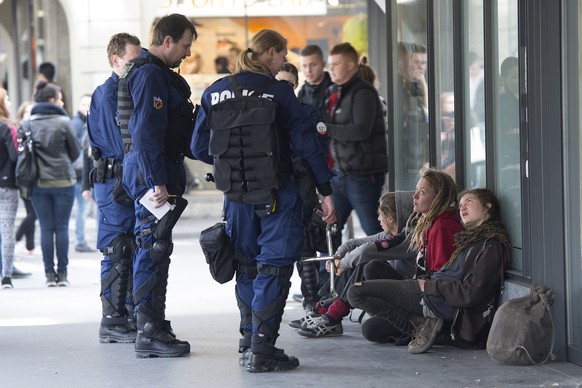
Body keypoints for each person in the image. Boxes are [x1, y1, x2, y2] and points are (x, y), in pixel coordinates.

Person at [192, 29, 336, 373]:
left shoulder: (215, 91)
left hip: (237, 195)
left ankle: (246, 341)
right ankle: (262, 347)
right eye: (282, 55)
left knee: (245, 263)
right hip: (279, 191)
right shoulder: (279, 92)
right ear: (270, 53)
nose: (283, 61)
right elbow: (306, 143)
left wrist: (232, 163)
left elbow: (198, 147)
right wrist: (325, 191)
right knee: (274, 267)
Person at [348, 188, 511, 353]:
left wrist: (427, 286)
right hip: (430, 292)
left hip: (435, 300)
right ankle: (420, 323)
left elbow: (469, 293)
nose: (462, 208)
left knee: (356, 293)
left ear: (487, 207)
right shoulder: (471, 240)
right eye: (460, 204)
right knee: (372, 270)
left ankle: (419, 324)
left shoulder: (491, 245)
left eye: (469, 201)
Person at [120, 14, 197, 358]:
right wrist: (157, 182)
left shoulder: (155, 72)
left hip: (157, 170)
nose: (186, 53)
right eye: (184, 45)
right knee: (152, 248)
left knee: (158, 249)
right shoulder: (150, 73)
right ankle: (148, 332)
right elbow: (145, 131)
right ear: (167, 41)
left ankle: (155, 324)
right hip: (153, 175)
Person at [87, 32, 141, 344]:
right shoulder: (107, 95)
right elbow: (118, 146)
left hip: (126, 182)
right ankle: (112, 319)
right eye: (132, 61)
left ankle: (131, 313)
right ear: (115, 60)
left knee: (132, 248)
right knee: (117, 248)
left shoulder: (127, 90)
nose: (137, 66)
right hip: (114, 184)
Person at [276, 62, 331, 314]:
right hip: (275, 186)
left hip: (303, 185)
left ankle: (312, 299)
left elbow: (320, 151)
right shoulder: (266, 113)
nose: (284, 88)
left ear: (295, 85)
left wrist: (322, 188)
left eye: (288, 84)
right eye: (280, 83)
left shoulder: (308, 113)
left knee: (306, 243)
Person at [325, 42, 388, 239]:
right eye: (330, 64)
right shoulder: (337, 92)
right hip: (339, 175)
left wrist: (325, 129)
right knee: (330, 230)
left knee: (373, 230)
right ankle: (330, 270)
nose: (331, 69)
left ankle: (384, 269)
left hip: (362, 176)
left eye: (336, 64)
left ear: (351, 65)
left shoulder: (363, 92)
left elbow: (361, 131)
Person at [24, 81, 80, 287]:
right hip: (64, 180)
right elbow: (75, 151)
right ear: (51, 100)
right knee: (62, 228)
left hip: (38, 182)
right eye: (59, 98)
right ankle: (62, 274)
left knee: (46, 228)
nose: (62, 101)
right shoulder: (64, 122)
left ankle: (49, 275)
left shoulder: (28, 123)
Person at [71, 93, 95, 253]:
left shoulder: (88, 122)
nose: (86, 108)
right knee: (84, 208)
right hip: (79, 172)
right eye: (83, 104)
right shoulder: (77, 124)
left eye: (89, 104)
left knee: (85, 208)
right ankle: (80, 240)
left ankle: (81, 239)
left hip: (83, 172)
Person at [0, 88, 19, 288]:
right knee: (6, 231)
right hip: (6, 185)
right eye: (7, 99)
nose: (10, 103)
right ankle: (6, 276)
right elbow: (15, 156)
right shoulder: (7, 128)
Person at [14, 102, 37, 261]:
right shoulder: (19, 130)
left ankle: (30, 245)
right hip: (24, 178)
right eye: (27, 112)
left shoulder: (35, 129)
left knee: (32, 213)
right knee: (33, 213)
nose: (29, 114)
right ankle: (17, 237)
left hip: (34, 178)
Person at [298, 44, 333, 118]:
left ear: (323, 64)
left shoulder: (334, 88)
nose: (308, 70)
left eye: (313, 65)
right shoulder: (302, 92)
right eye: (304, 66)